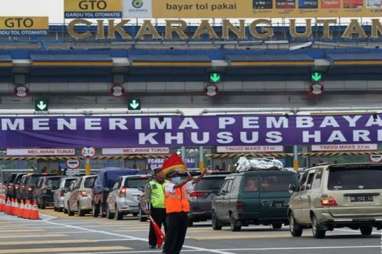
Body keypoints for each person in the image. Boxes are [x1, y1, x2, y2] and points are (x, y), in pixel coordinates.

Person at [162, 170, 194, 254]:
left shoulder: (182, 185)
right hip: (173, 214)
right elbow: (175, 186)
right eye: (174, 176)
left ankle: (176, 251)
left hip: (183, 213)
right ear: (169, 178)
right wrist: (187, 180)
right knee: (172, 234)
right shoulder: (167, 185)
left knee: (181, 234)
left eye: (177, 175)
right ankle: (167, 251)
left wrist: (202, 175)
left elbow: (193, 182)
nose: (177, 177)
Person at [143, 168, 166, 249]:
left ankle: (168, 242)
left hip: (167, 208)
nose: (162, 175)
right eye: (161, 173)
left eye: (163, 173)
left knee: (169, 227)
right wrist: (147, 208)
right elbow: (147, 197)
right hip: (156, 209)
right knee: (154, 227)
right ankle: (153, 243)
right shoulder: (150, 184)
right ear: (156, 175)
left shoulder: (167, 183)